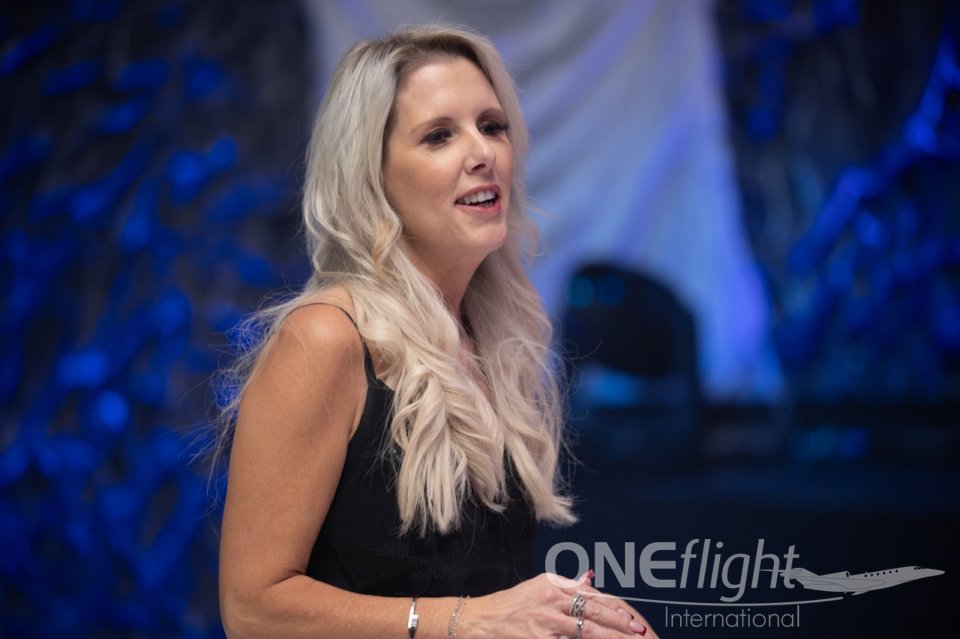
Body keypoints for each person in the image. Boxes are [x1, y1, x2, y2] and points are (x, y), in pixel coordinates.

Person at [215, 24, 658, 639]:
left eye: (492, 126)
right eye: (439, 136)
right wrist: (464, 619)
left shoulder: (493, 337)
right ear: (371, 175)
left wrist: (571, 618)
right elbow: (253, 609)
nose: (483, 153)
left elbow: (486, 601)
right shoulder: (324, 339)